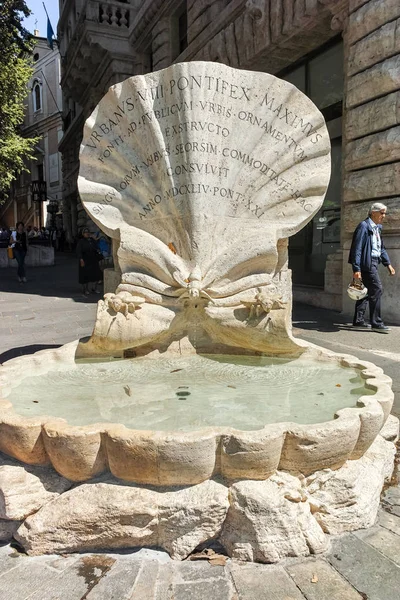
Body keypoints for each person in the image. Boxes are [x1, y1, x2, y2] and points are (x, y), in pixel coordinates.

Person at [348, 202, 395, 332]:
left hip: (374, 261)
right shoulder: (364, 226)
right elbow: (356, 249)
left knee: (366, 291)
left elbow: (381, 248)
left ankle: (358, 320)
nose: (384, 216)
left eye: (384, 213)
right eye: (382, 213)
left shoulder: (377, 227)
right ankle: (376, 323)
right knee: (377, 289)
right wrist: (356, 269)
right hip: (367, 263)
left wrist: (388, 264)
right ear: (373, 212)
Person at [76, 227, 103, 296]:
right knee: (85, 276)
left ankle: (94, 288)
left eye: (88, 232)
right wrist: (81, 259)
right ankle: (85, 289)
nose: (87, 233)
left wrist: (99, 254)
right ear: (83, 234)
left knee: (97, 274)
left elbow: (96, 248)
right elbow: (79, 251)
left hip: (93, 259)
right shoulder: (81, 242)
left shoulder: (92, 240)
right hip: (85, 260)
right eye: (85, 232)